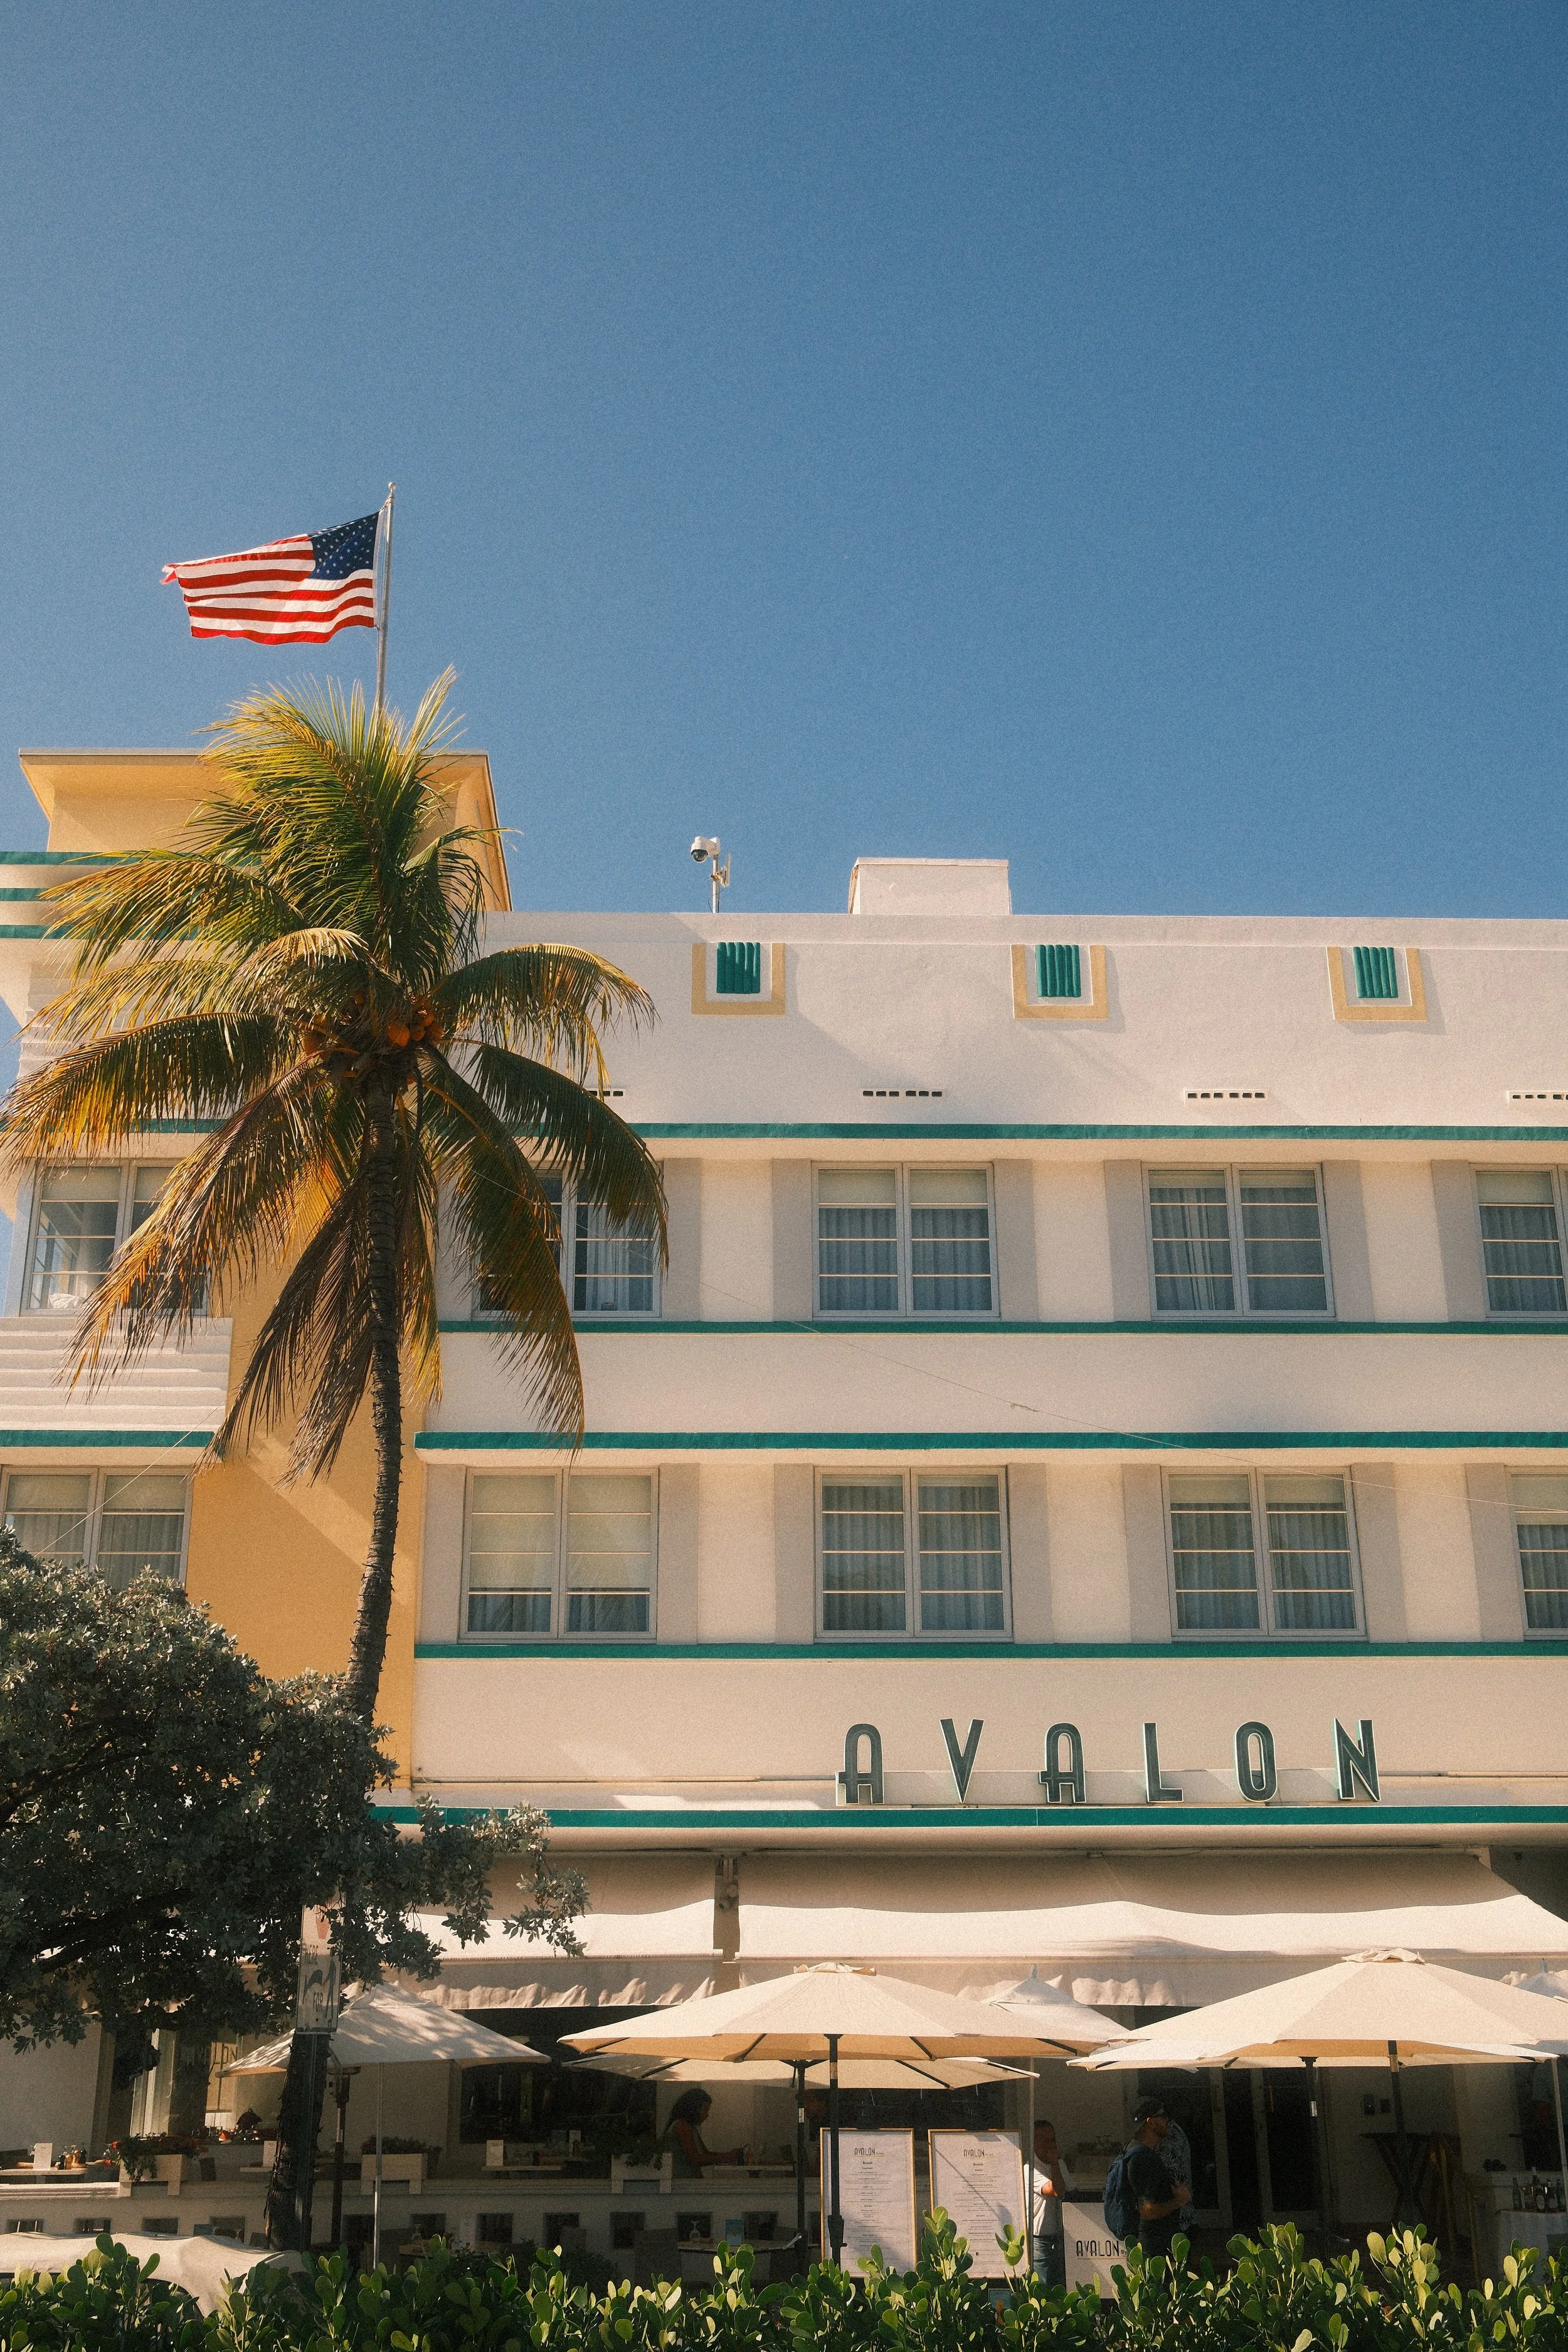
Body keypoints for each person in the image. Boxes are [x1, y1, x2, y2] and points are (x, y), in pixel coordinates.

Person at [1122, 2099, 1190, 2260]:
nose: (1168, 2121)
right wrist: (1180, 2200)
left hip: (1156, 2244)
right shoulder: (1141, 2158)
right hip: (1153, 2249)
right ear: (1151, 2123)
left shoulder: (1140, 2152)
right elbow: (1147, 2211)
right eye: (1163, 2116)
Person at [660, 2088, 745, 2178]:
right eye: (705, 2110)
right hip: (683, 2185)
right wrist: (727, 2157)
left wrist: (729, 2155)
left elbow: (705, 2154)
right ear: (694, 2108)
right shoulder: (682, 2126)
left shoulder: (690, 2128)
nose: (707, 2115)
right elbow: (695, 2159)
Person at [1030, 2118, 1074, 2286]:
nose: (1051, 2145)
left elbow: (1070, 2191)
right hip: (1041, 2243)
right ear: (1035, 2141)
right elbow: (1056, 2190)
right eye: (1045, 2140)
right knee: (1043, 2289)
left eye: (1053, 2140)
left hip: (1061, 2239)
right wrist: (1054, 2162)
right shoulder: (1030, 2169)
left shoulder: (1060, 2164)